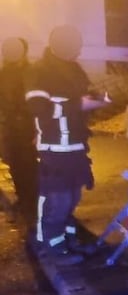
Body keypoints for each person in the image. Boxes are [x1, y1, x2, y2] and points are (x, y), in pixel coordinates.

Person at [24, 26, 111, 265]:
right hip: (54, 148)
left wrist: (98, 98)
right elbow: (37, 107)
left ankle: (67, 243)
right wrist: (78, 105)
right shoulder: (40, 71)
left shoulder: (73, 68)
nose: (79, 50)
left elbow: (83, 96)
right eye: (75, 45)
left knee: (72, 198)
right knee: (58, 201)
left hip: (75, 146)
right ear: (61, 45)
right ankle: (53, 251)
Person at [0, 37, 38, 218]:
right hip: (10, 128)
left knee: (28, 166)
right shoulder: (3, 72)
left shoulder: (30, 72)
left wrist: (38, 128)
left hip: (27, 127)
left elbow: (37, 101)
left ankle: (32, 202)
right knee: (14, 165)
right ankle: (23, 199)